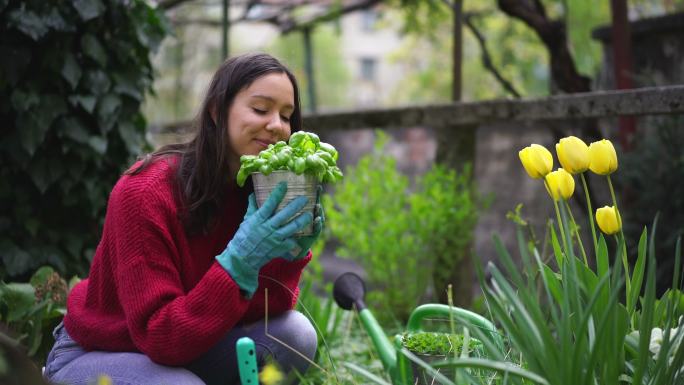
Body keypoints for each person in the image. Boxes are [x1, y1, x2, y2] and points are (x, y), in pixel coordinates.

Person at [43, 53, 322, 385]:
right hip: (99, 351)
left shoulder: (261, 190)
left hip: (187, 347)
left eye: (286, 116)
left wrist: (286, 255)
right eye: (261, 109)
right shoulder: (145, 191)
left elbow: (264, 311)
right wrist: (241, 260)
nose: (277, 125)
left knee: (296, 335)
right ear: (217, 112)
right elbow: (160, 337)